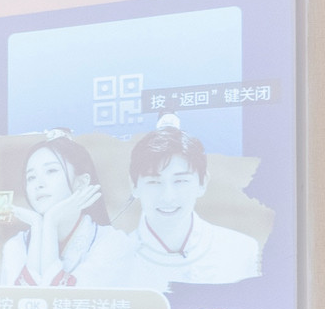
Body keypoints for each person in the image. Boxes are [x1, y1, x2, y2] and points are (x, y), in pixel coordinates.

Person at [84, 118, 263, 287]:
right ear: (134, 185)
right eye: (154, 182)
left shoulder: (241, 250)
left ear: (202, 183)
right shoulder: (109, 261)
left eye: (180, 181)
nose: (168, 197)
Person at [0, 134, 109, 285]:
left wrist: (50, 221)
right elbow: (24, 298)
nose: (39, 184)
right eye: (31, 177)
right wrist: (38, 225)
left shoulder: (110, 242)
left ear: (82, 182)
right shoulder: (16, 246)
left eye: (51, 171)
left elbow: (59, 296)